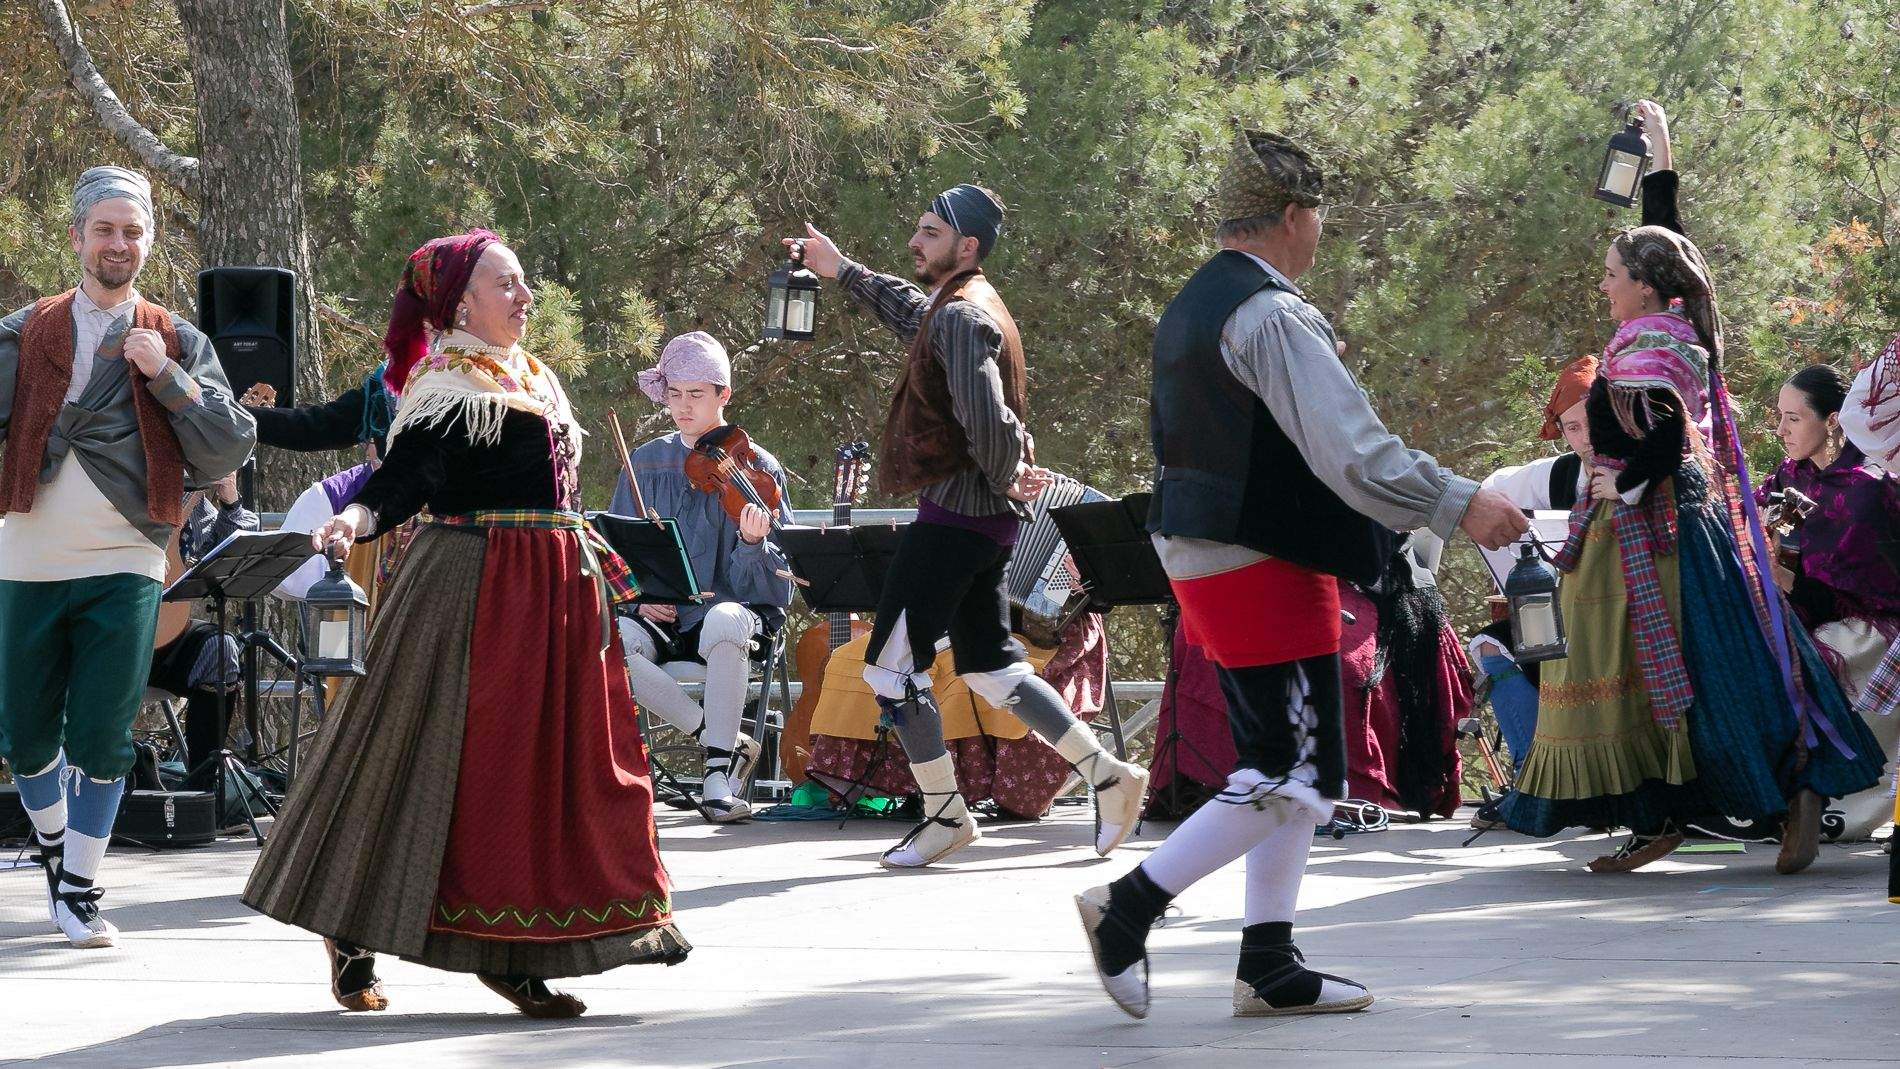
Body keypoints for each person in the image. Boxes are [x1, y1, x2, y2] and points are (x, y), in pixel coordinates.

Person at [1072, 129, 1528, 1020]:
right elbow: (1354, 452)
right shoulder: (1271, 313)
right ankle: (1125, 910)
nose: (1322, 232)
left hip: (1233, 551)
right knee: (1287, 771)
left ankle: (1271, 963)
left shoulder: (1200, 301)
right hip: (1256, 555)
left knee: (1298, 770)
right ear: (1292, 216)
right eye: (1319, 215)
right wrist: (1458, 500)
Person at [243, 230, 686, 1018]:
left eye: (524, 284)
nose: (524, 297)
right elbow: (409, 474)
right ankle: (348, 924)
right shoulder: (445, 381)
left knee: (540, 776)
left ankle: (515, 947)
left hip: (552, 594)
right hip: (474, 587)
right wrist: (354, 516)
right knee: (414, 758)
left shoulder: (533, 376)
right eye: (506, 285)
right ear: (460, 302)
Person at [786, 185, 1149, 868]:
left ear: (967, 245)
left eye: (929, 233)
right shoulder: (960, 309)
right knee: (989, 665)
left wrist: (1009, 467)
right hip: (980, 523)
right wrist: (842, 270)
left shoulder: (965, 317)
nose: (916, 242)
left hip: (955, 520)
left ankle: (946, 815)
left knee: (890, 671)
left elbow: (984, 412)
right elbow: (913, 315)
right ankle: (1109, 773)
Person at [0, 166, 256, 948]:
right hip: (27, 553)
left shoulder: (179, 339)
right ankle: (55, 854)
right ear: (78, 236)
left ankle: (78, 887)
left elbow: (231, 440)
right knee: (23, 733)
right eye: (106, 229)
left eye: (133, 231)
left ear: (148, 241)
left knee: (105, 729)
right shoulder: (20, 330)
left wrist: (166, 376)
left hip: (129, 554)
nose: (119, 243)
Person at [612, 331, 794, 822]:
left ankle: (716, 778)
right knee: (607, 641)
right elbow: (617, 555)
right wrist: (635, 601)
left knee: (726, 619)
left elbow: (782, 581)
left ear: (723, 396)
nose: (683, 407)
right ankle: (722, 741)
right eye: (675, 394)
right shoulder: (647, 462)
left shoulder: (760, 468)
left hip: (731, 620)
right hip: (661, 616)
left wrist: (754, 546)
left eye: (696, 395)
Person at [1757, 364, 1900, 839]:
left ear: (1833, 420)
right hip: (1799, 617)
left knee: (1809, 659)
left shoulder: (1868, 488)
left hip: (1870, 627)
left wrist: (1785, 580)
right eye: (1780, 417)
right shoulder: (1786, 476)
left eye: (1793, 418)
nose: (1780, 431)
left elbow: (1871, 590)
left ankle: (1829, 798)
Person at [1469, 356, 1598, 775]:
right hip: (1572, 615)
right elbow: (1488, 491)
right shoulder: (1561, 474)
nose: (1587, 438)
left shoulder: (1643, 471)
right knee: (1494, 642)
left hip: (1626, 618)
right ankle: (1532, 776)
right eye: (1573, 428)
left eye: (1595, 422)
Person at [149, 473, 259, 792]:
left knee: (220, 650)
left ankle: (200, 788)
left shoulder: (192, 502)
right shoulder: (121, 484)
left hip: (168, 635)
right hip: (110, 637)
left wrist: (229, 499)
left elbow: (235, 550)